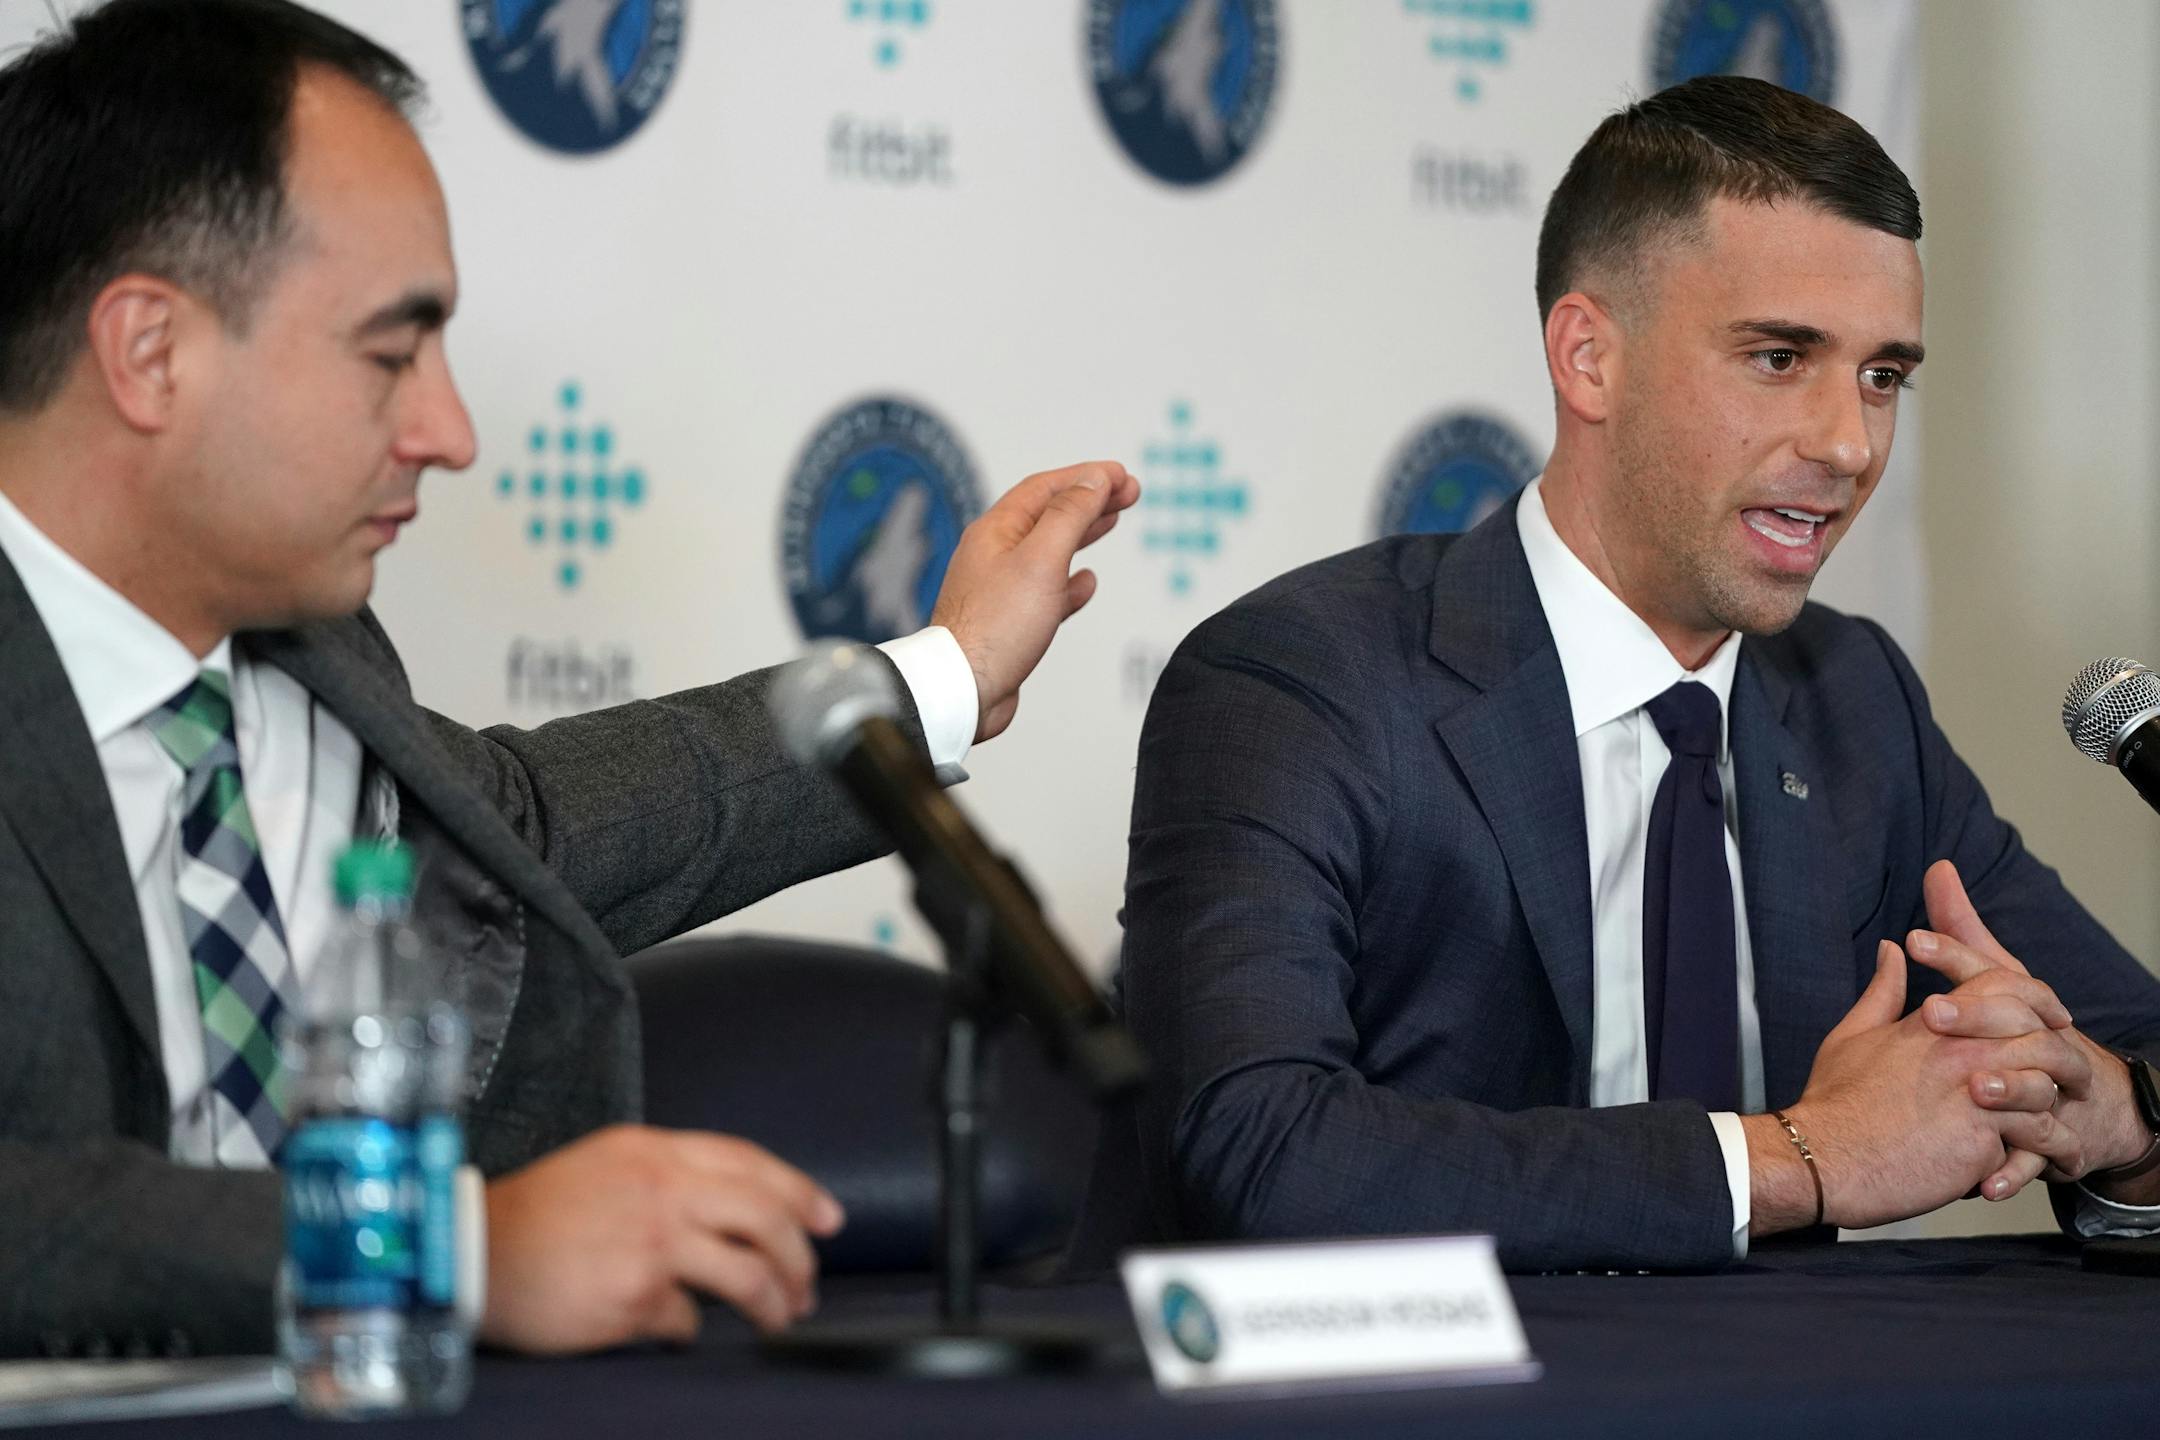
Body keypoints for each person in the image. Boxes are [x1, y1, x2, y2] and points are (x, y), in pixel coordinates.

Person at [0, 0, 1139, 1358]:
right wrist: (454, 1247)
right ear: (149, 353)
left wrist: (947, 671)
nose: (451, 432)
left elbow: (527, 831)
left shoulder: (312, 657)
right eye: (389, 355)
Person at [1113, 75, 2160, 1271]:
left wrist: (2121, 1120)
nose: (1848, 442)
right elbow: (1256, 1150)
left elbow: (2128, 1042)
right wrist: (1800, 1159)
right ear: (1589, 358)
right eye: (1781, 357)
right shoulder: (1302, 682)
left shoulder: (1855, 701)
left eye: (1883, 377)